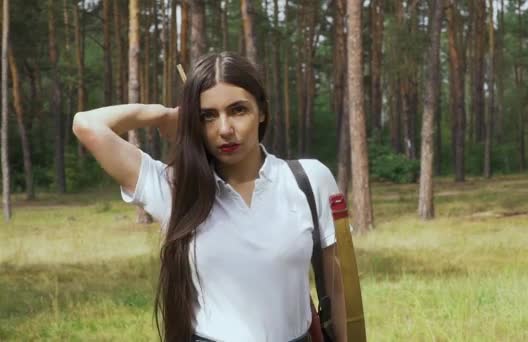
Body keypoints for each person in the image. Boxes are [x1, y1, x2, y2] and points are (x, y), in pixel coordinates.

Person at [72, 52, 347, 342]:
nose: (225, 129)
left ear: (262, 112)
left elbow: (339, 291)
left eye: (238, 110)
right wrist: (163, 115)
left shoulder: (308, 180)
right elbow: (87, 126)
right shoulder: (175, 187)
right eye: (208, 116)